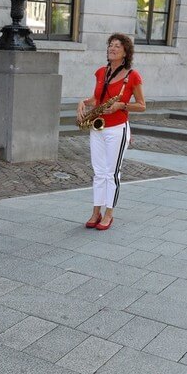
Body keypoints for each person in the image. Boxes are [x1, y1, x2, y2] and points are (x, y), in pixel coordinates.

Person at [77, 33, 146, 231]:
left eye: (117, 46)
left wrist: (121, 105)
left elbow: (142, 105)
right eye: (110, 45)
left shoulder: (133, 76)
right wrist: (83, 102)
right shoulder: (101, 72)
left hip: (117, 128)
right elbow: (96, 99)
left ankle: (109, 213)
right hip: (98, 127)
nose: (112, 48)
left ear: (125, 52)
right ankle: (95, 212)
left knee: (111, 173)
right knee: (98, 172)